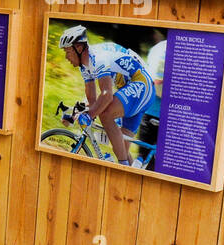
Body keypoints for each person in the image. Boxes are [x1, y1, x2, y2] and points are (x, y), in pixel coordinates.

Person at [57, 25, 154, 169]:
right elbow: (92, 101)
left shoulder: (97, 57)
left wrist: (89, 115)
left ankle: (120, 170)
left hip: (142, 85)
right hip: (131, 90)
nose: (66, 57)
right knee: (121, 148)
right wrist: (74, 114)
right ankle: (133, 171)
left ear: (78, 47)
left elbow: (107, 95)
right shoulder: (85, 66)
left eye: (68, 51)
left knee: (106, 113)